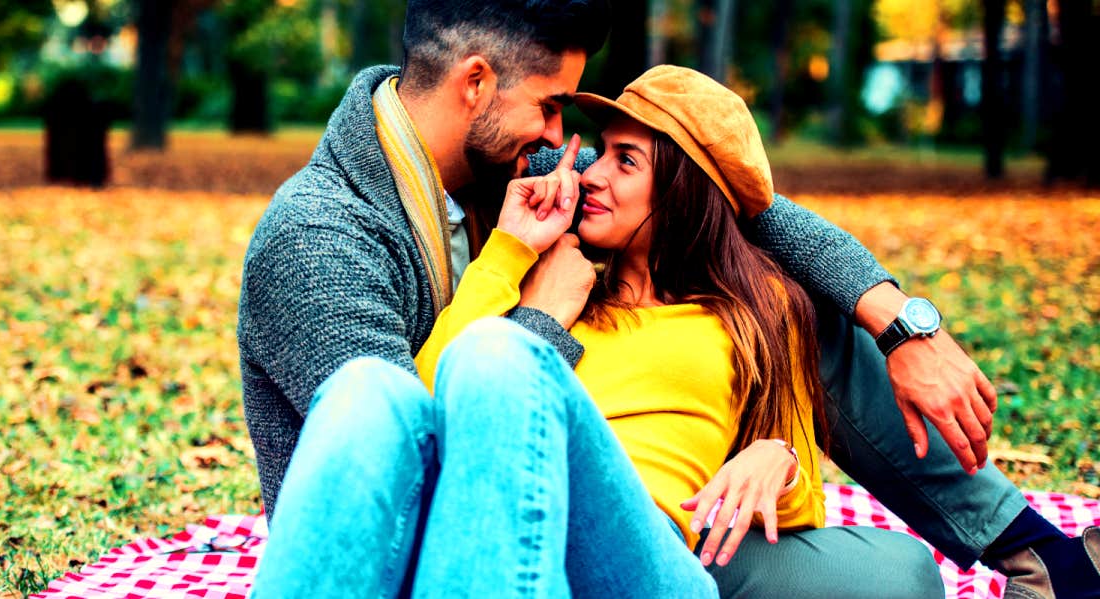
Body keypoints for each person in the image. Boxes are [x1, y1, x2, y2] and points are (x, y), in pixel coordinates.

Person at [237, 2, 1099, 596]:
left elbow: (749, 206)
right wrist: (532, 300)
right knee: (405, 381)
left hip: (653, 543)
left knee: (804, 308)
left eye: (617, 155)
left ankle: (1039, 552)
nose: (562, 149)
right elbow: (405, 445)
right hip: (438, 533)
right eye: (551, 111)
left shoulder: (525, 170)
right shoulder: (325, 237)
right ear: (474, 85)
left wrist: (896, 322)